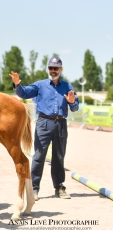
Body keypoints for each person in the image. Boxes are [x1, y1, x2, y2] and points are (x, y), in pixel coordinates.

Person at [9, 56, 79, 201]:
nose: (53, 71)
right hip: (44, 123)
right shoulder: (40, 85)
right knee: (39, 156)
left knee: (59, 157)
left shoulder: (67, 86)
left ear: (61, 69)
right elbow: (24, 93)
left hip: (60, 124)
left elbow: (75, 106)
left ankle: (59, 188)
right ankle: (34, 189)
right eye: (51, 68)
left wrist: (72, 102)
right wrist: (17, 84)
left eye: (56, 68)